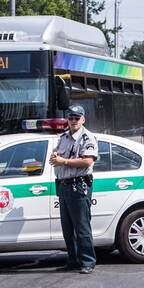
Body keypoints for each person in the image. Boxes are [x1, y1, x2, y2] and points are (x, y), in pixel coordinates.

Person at [50, 104, 98, 274]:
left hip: (79, 185)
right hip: (63, 186)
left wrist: (63, 161)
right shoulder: (63, 137)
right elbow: (58, 155)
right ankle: (73, 259)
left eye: (77, 118)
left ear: (83, 119)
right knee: (68, 228)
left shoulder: (87, 138)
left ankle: (88, 262)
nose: (73, 121)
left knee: (82, 227)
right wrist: (55, 158)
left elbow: (87, 161)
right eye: (70, 118)